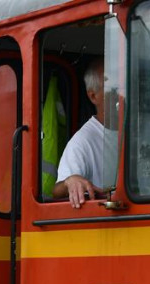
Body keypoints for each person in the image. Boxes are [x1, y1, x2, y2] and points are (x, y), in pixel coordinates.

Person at [52, 58, 108, 209]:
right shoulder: (82, 142)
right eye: (113, 86)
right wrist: (70, 181)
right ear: (93, 96)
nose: (123, 92)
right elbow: (57, 190)